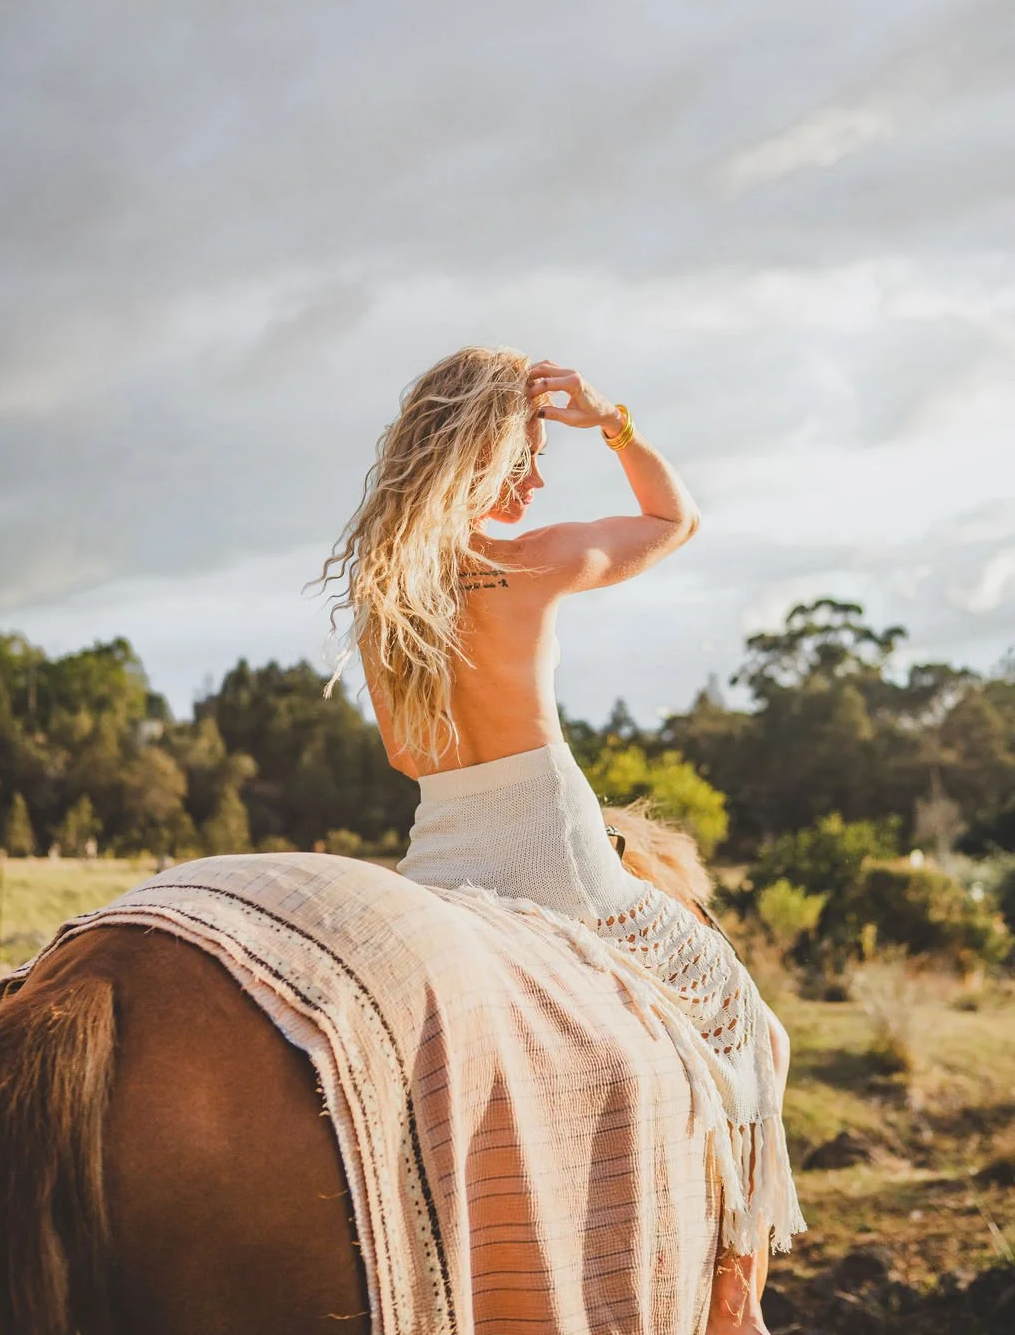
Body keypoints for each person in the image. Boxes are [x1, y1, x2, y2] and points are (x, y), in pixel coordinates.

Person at [315, 345, 805, 1335]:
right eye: (526, 457)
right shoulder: (531, 564)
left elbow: (410, 755)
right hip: (558, 856)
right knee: (753, 1027)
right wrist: (610, 421)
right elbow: (674, 521)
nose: (536, 481)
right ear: (481, 456)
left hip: (440, 859)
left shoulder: (384, 593)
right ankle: (732, 1294)